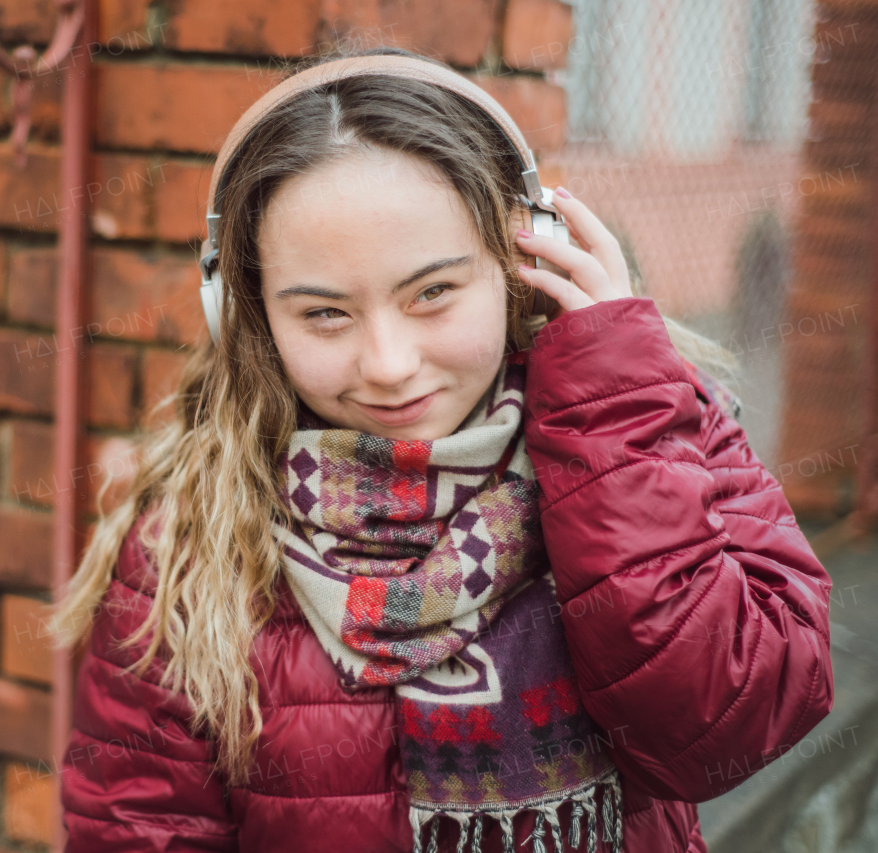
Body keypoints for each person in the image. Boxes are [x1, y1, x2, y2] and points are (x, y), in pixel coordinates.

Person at [48, 45, 834, 853]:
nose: (388, 366)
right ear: (246, 316)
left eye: (433, 293)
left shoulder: (658, 428)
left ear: (521, 259)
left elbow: (725, 725)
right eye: (324, 314)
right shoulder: (187, 544)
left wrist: (613, 424)